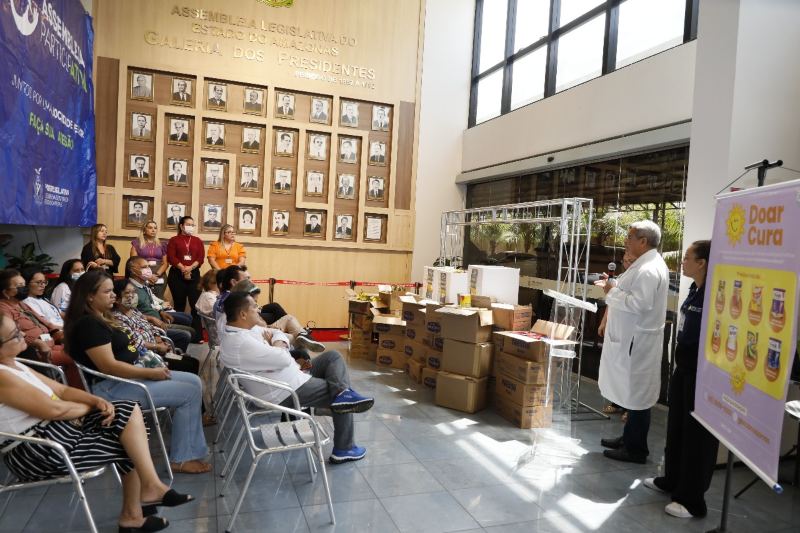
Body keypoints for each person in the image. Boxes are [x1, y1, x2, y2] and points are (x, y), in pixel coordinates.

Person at [0, 311, 194, 532]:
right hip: (38, 449)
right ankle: (135, 510)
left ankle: (149, 489)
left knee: (128, 411)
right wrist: (90, 407)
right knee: (129, 441)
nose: (22, 333)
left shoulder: (15, 365)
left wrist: (96, 400)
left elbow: (62, 390)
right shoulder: (2, 376)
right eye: (14, 334)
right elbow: (55, 409)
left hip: (58, 430)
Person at [64, 270, 211, 474]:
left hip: (129, 377)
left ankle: (189, 448)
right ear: (90, 295)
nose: (114, 295)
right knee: (189, 392)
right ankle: (183, 458)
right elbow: (109, 367)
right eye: (107, 292)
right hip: (112, 388)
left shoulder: (102, 318)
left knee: (193, 381)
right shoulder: (89, 325)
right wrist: (151, 374)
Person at [221, 292, 373, 463]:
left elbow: (277, 333)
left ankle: (337, 398)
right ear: (242, 314)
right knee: (342, 399)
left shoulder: (245, 329)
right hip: (284, 390)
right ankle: (344, 448)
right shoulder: (241, 342)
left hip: (289, 377)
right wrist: (279, 345)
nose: (259, 310)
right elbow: (285, 358)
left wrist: (277, 342)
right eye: (254, 307)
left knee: (333, 358)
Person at [644, 240, 718, 518]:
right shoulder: (694, 289)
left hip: (704, 373)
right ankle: (671, 480)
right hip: (684, 368)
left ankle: (692, 500)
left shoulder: (715, 293)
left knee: (697, 437)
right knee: (676, 428)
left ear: (702, 263)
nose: (682, 262)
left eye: (688, 258)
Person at [595, 220, 669, 464]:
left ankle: (636, 449)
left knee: (637, 395)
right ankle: (628, 439)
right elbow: (630, 290)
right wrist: (614, 284)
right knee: (631, 391)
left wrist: (611, 291)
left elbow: (639, 303)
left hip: (637, 343)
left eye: (630, 236)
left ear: (643, 241)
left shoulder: (649, 269)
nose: (626, 241)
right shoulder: (642, 265)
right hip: (631, 341)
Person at [0, 269, 80, 388]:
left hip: (51, 343)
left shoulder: (20, 303)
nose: (24, 288)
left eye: (24, 285)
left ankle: (76, 388)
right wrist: (37, 343)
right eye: (19, 286)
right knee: (76, 356)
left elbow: (44, 321)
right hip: (37, 351)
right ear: (6, 292)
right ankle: (73, 391)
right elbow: (13, 333)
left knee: (80, 349)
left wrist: (58, 332)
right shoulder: (3, 308)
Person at [111, 279, 197, 373]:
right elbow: (134, 342)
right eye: (128, 293)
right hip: (147, 359)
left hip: (157, 351)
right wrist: (157, 346)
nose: (133, 295)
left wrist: (157, 336)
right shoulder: (118, 319)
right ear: (117, 299)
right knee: (189, 365)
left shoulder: (133, 311)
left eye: (134, 292)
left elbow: (148, 325)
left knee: (192, 362)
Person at [125, 257, 196, 346]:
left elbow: (151, 303)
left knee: (190, 327)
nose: (148, 270)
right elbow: (128, 314)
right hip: (149, 326)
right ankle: (170, 355)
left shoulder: (143, 284)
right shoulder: (130, 289)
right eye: (144, 267)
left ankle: (173, 351)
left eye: (148, 266)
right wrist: (151, 318)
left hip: (158, 318)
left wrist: (161, 311)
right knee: (187, 334)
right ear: (133, 270)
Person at [166, 217, 204, 334]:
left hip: (194, 274)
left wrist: (190, 268)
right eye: (188, 224)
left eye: (192, 225)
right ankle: (180, 333)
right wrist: (183, 268)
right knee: (179, 304)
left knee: (195, 305)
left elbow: (200, 258)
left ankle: (197, 335)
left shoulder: (198, 240)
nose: (191, 227)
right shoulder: (174, 240)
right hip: (177, 275)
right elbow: (171, 257)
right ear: (181, 226)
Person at [130, 221, 170, 297]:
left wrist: (156, 275)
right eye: (150, 228)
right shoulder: (136, 243)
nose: (153, 230)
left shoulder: (162, 244)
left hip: (159, 275)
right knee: (144, 299)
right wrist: (147, 276)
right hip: (142, 276)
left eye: (155, 228)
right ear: (144, 230)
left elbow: (165, 263)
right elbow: (133, 263)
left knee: (159, 300)